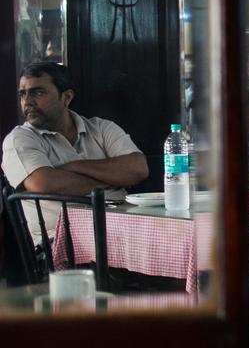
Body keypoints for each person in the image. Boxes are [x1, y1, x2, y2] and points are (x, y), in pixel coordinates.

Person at [2, 62, 148, 241]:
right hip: (63, 243)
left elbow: (138, 169)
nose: (28, 101)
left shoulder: (101, 128)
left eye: (38, 92)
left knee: (167, 240)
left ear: (66, 97)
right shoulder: (20, 138)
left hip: (120, 229)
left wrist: (74, 166)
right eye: (23, 94)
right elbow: (44, 183)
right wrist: (110, 180)